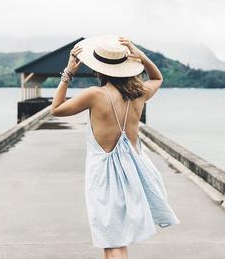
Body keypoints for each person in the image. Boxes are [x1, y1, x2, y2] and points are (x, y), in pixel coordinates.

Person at [50, 34, 180, 259]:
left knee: (111, 241)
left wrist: (68, 72)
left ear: (98, 70)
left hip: (102, 175)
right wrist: (141, 56)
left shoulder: (95, 94)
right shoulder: (139, 93)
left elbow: (56, 109)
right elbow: (158, 78)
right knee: (119, 239)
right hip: (132, 172)